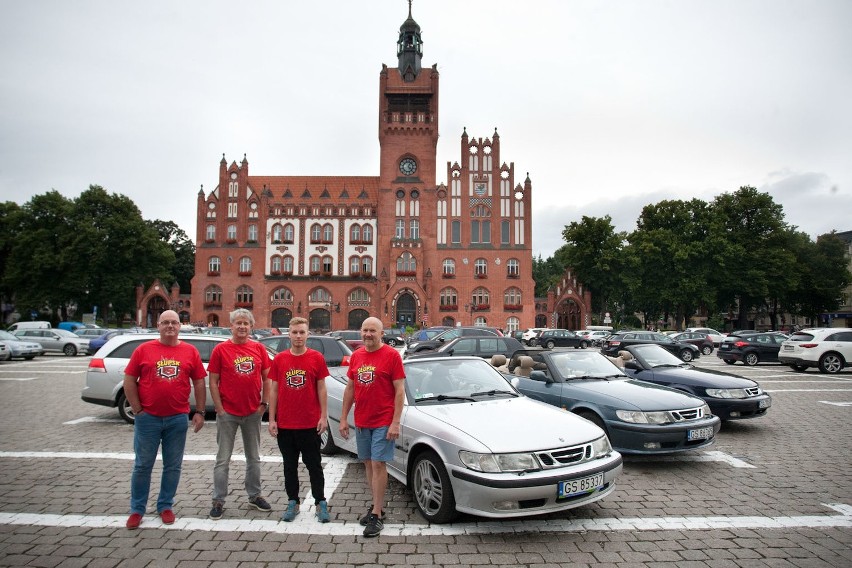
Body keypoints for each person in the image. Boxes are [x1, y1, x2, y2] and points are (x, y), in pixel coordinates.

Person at [123, 310, 206, 530]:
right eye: (165, 322)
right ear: (158, 326)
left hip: (177, 418)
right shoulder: (143, 350)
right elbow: (129, 380)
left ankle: (165, 505)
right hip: (148, 418)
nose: (170, 326)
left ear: (180, 326)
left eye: (174, 322)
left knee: (173, 466)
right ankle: (137, 509)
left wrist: (199, 411)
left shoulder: (190, 351)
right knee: (142, 465)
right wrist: (137, 409)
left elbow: (198, 382)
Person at [339, 317, 405, 537]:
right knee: (368, 463)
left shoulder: (392, 356)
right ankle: (378, 506)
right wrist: (343, 418)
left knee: (378, 463)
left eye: (372, 331)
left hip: (383, 420)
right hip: (362, 419)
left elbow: (399, 391)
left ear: (381, 333)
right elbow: (350, 388)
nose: (368, 334)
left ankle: (376, 514)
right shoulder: (356, 356)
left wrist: (395, 421)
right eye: (365, 330)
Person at [207, 308, 273, 520]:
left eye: (246, 323)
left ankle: (254, 495)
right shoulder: (221, 350)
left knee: (253, 457)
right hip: (228, 413)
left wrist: (264, 403)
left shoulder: (258, 349)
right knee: (223, 459)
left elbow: (267, 378)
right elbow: (213, 382)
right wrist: (219, 408)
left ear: (251, 327)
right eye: (239, 323)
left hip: (253, 412)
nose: (242, 327)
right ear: (231, 327)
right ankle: (218, 500)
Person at [268, 317, 331, 522]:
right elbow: (274, 389)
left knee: (314, 465)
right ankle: (292, 502)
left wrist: (323, 416)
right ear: (289, 334)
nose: (298, 336)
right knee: (289, 466)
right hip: (286, 424)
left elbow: (321, 388)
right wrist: (272, 419)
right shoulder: (280, 359)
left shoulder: (316, 358)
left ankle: (320, 502)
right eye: (294, 332)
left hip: (309, 423)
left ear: (307, 334)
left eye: (302, 332)